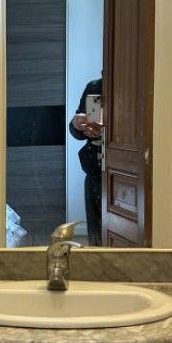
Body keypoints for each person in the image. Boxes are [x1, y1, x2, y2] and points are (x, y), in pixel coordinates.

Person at [69, 77, 103, 246]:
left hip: (123, 169)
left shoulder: (131, 87)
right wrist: (76, 125)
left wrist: (106, 132)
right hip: (94, 169)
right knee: (96, 231)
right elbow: (78, 130)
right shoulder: (95, 87)